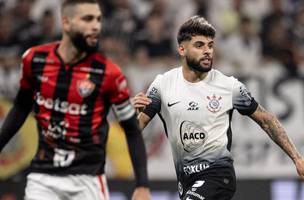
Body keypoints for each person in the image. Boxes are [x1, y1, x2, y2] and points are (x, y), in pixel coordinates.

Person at [132, 15, 304, 200]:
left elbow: (267, 120)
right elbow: (135, 130)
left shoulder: (229, 86)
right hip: (187, 182)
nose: (207, 51)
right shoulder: (162, 85)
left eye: (210, 45)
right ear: (182, 49)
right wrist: (132, 113)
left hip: (219, 177)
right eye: (199, 45)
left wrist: (297, 158)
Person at [0, 0, 150, 200]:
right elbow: (19, 110)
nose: (95, 25)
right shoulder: (35, 60)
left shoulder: (109, 73)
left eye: (98, 19)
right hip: (43, 177)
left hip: (88, 180)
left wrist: (142, 184)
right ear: (66, 23)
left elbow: (131, 129)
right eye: (87, 19)